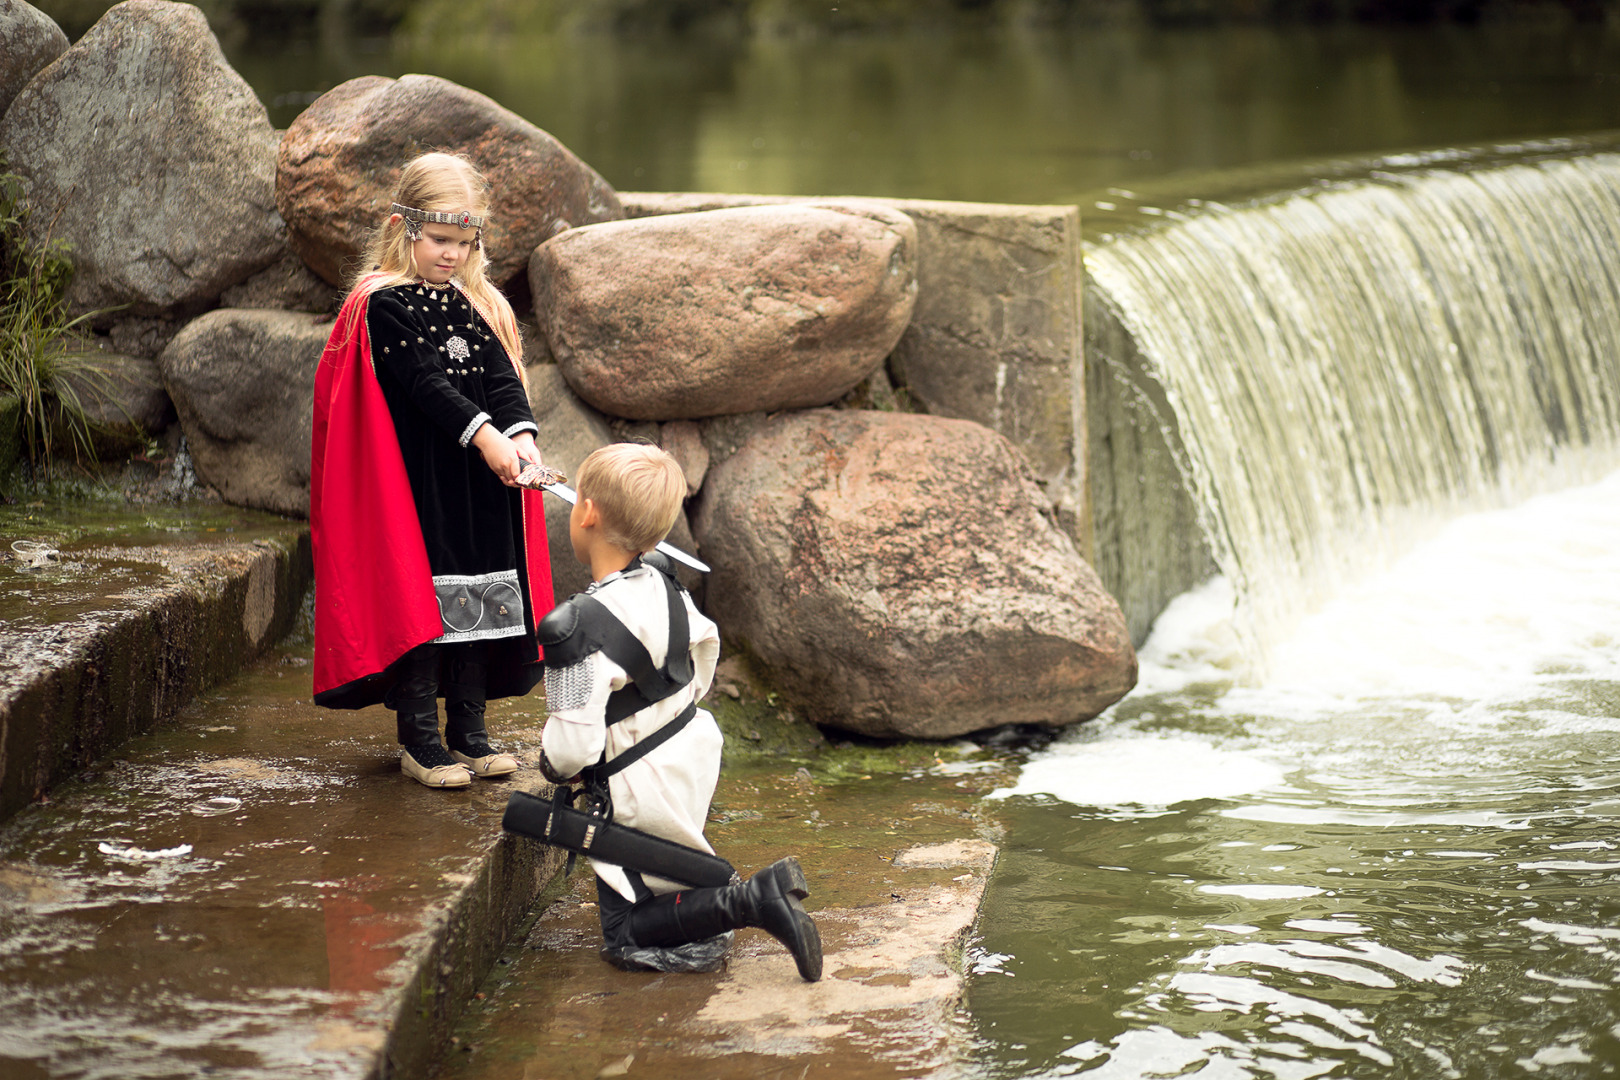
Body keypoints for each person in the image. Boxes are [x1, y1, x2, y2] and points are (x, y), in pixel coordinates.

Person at [310, 152, 553, 790]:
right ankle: (420, 741)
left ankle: (468, 733)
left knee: (479, 600)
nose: (451, 255)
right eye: (439, 241)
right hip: (419, 489)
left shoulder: (472, 304)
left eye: (463, 243)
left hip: (477, 484)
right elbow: (424, 385)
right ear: (404, 229)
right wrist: (488, 438)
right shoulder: (384, 304)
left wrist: (520, 435)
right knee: (424, 607)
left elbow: (500, 377)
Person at [536, 442, 822, 980]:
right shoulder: (665, 581)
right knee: (673, 868)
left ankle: (757, 900)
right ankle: (741, 901)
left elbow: (572, 749)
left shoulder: (575, 626)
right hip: (690, 746)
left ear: (587, 512)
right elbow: (703, 653)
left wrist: (552, 767)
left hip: (634, 777)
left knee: (624, 932)